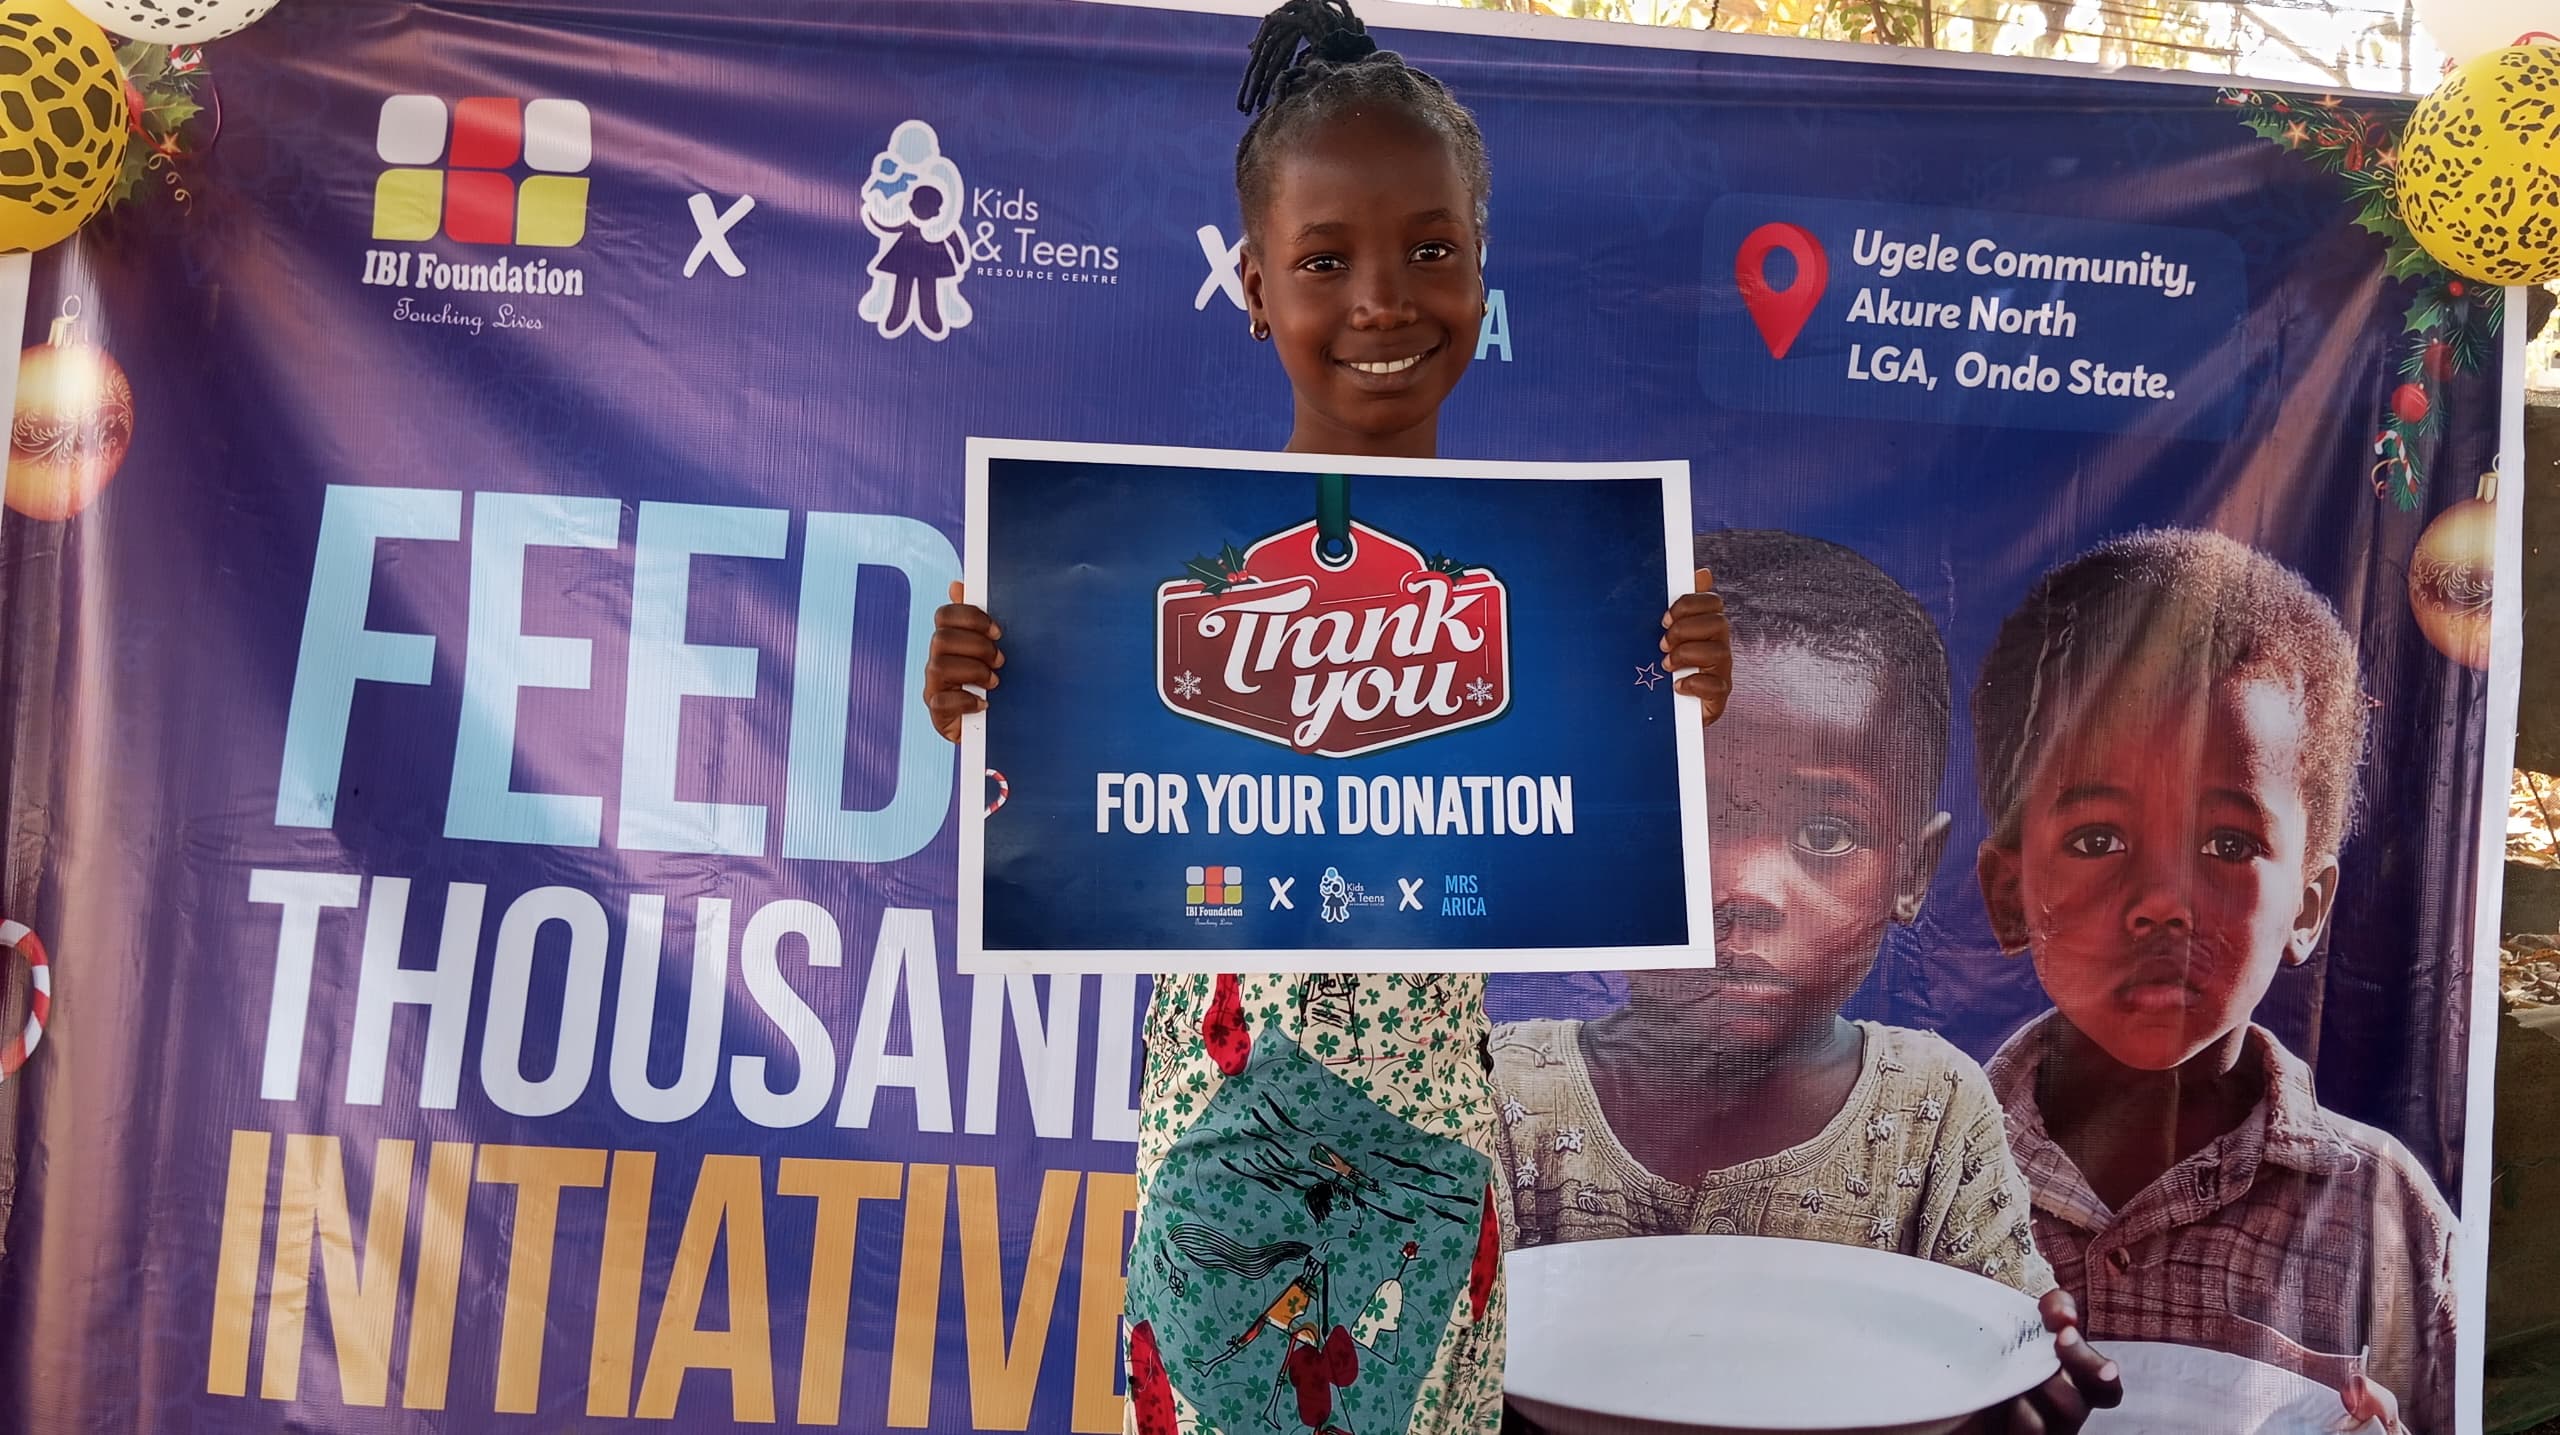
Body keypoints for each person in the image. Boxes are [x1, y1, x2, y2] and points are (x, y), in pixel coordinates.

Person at [928, 8, 1726, 1433]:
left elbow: (1603, 807)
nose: (1382, 300)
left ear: (1485, 273)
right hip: (1213, 1137)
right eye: (1324, 260)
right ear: (1252, 286)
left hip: (1430, 1147)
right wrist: (989, 697)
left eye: (1431, 250)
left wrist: (1677, 687)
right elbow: (1050, 804)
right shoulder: (1136, 564)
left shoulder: (1554, 570)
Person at [1494, 531, 2117, 1435]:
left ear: (1912, 869)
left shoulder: (1931, 1107)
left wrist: (2019, 1381)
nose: (1743, 888)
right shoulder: (1507, 1092)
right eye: (1686, 822)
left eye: (1826, 834)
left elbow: (1996, 1344)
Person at [1971, 527, 2457, 1433]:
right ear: (2009, 894)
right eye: (2095, 839)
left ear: (2306, 909)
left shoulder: (2383, 1212)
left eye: (2228, 844)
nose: (2162, 902)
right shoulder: (1927, 1175)